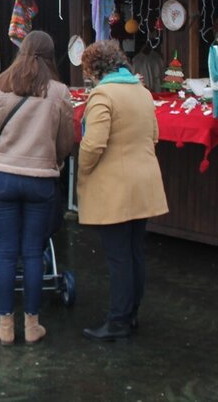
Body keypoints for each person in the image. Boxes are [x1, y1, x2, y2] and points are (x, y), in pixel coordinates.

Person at [0, 31, 75, 345]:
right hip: (41, 181)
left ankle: (5, 326)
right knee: (32, 252)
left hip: (3, 178)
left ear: (22, 52)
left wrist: (2, 143)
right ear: (50, 55)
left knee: (5, 252)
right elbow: (65, 142)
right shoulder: (59, 92)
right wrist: (53, 159)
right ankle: (31, 325)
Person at [78, 40, 169, 342]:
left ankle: (118, 320)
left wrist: (84, 170)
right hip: (144, 183)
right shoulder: (142, 92)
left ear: (95, 69)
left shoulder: (103, 95)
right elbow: (154, 135)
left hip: (115, 187)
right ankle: (131, 315)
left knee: (118, 257)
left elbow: (93, 144)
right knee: (134, 252)